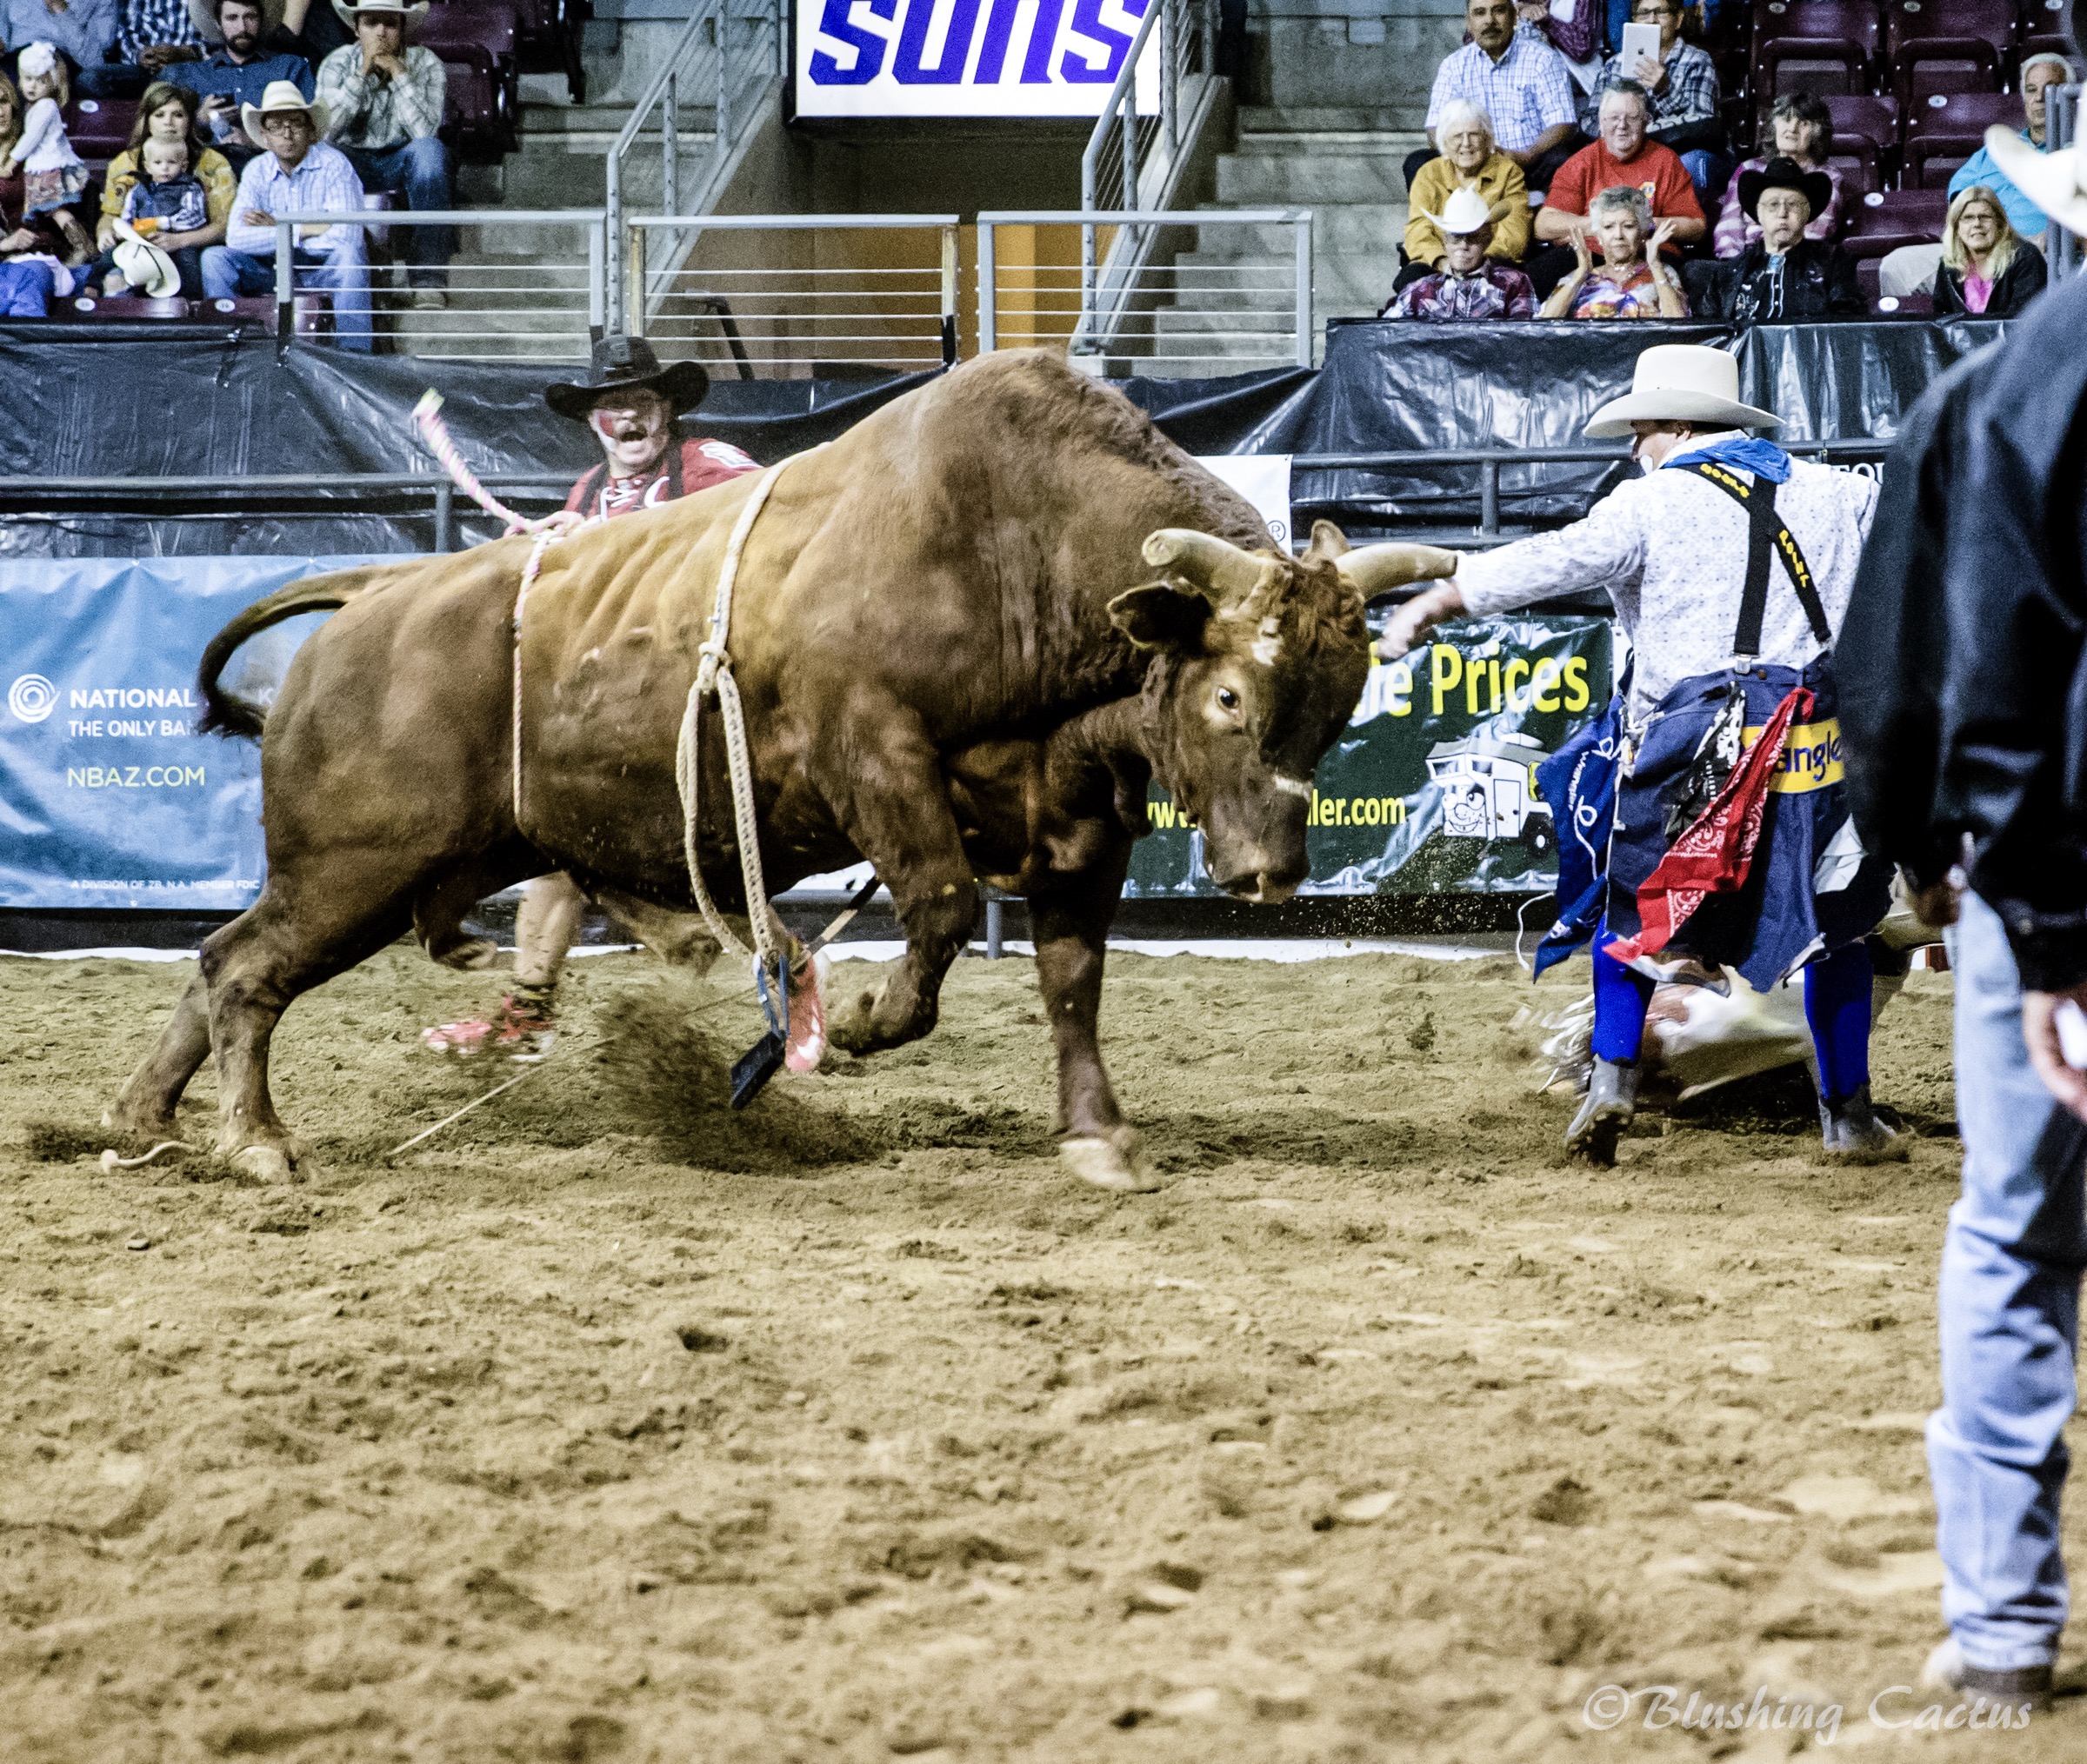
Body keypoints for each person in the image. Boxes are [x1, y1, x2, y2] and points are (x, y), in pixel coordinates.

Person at [1384, 343, 1892, 1164]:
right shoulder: (1846, 495)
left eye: (1642, 429)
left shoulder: (1647, 503)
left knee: (1635, 914)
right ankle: (1849, 1121)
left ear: (1681, 426)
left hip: (1690, 746)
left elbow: (1555, 560)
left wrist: (1447, 596)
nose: (1633, 448)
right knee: (1840, 933)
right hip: (1813, 748)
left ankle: (1612, 1081)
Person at [1837, 79, 2087, 1702]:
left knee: (2016, 1229)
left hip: (2054, 878)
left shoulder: (2013, 388)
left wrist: (1972, 881)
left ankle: (2001, 1626)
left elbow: (1933, 673)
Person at [422, 336, 765, 1060]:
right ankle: (529, 1011)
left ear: (666, 409)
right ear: (594, 422)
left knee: (585, 838)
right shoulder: (585, 495)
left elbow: (769, 526)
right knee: (550, 835)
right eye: (612, 407)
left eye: (640, 402)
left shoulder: (712, 468)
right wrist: (556, 554)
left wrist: (606, 539)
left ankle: (776, 973)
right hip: (619, 710)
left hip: (706, 702)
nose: (628, 420)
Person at [200, 77, 370, 347]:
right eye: (276, 126)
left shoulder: (335, 165)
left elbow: (346, 237)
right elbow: (236, 237)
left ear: (311, 131)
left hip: (320, 269)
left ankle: (355, 355)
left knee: (349, 258)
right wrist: (297, 230)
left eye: (295, 123)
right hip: (272, 269)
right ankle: (229, 347)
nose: (287, 134)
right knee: (215, 258)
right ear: (265, 137)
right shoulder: (257, 169)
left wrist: (274, 227)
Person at [313, 0, 447, 307]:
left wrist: (400, 76)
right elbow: (324, 132)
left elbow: (425, 133)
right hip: (350, 160)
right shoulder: (337, 62)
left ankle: (428, 279)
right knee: (322, 153)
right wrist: (360, 76)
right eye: (372, 23)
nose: (381, 33)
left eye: (390, 24)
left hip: (402, 157)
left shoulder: (426, 62)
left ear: (401, 30)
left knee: (430, 153)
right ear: (356, 28)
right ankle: (337, 272)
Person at [1527, 80, 1704, 296]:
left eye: (1632, 117)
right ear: (1601, 123)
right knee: (1538, 275)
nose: (1622, 125)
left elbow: (1696, 227)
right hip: (1588, 251)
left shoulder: (1665, 161)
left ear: (1646, 122)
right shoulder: (1581, 163)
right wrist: (1600, 226)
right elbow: (1543, 225)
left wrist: (1641, 226)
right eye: (1613, 118)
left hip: (1648, 252)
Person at [1410, 0, 1581, 196]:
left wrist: (1527, 155)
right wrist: (1465, 158)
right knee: (1418, 163)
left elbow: (1563, 123)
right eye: (1480, 13)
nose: (1489, 21)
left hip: (1528, 164)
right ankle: (1453, 223)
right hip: (1469, 166)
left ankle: (1545, 222)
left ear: (1514, 16)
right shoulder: (1454, 66)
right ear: (1469, 22)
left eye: (1498, 11)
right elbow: (1435, 127)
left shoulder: (1543, 59)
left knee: (1560, 159)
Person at [1581, 0, 1725, 205]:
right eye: (1644, 13)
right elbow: (1590, 119)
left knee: (1692, 162)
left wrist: (1665, 89)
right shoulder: (1615, 64)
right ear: (1634, 21)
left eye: (1661, 12)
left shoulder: (1697, 60)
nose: (1652, 20)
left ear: (1679, 20)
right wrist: (1620, 135)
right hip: (1624, 151)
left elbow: (1702, 125)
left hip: (1677, 152)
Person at [1698, 157, 1862, 323]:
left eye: (1793, 204)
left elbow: (1846, 325)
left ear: (1807, 213)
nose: (1782, 213)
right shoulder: (1730, 274)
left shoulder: (1832, 261)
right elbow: (1710, 332)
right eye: (1773, 204)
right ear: (1759, 214)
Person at [1398, 101, 1530, 294]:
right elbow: (1418, 228)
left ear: (1487, 139)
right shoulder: (1428, 173)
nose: (1466, 143)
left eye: (1474, 134)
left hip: (1492, 264)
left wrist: (1478, 265)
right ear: (1444, 142)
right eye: (1457, 136)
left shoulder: (1508, 171)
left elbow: (1514, 229)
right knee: (1410, 281)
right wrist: (1443, 263)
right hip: (1438, 265)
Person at [1946, 52, 2073, 245]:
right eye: (2031, 90)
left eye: (2050, 89)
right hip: (1984, 246)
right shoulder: (1996, 149)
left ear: (2070, 95)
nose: (2039, 98)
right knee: (1897, 264)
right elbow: (1959, 193)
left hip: (2040, 250)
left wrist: (2058, 237)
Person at [166, 0, 310, 167]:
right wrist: (199, 121)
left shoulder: (289, 67)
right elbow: (156, 133)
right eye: (232, 18)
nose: (242, 28)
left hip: (271, 165)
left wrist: (254, 140)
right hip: (205, 171)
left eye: (250, 17)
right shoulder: (188, 74)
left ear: (261, 20)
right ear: (218, 23)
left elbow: (308, 128)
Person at [96, 79, 232, 252]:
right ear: (147, 121)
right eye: (159, 115)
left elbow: (224, 225)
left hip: (191, 246)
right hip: (135, 242)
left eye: (178, 115)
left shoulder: (213, 162)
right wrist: (104, 231)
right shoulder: (125, 161)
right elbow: (111, 214)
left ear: (189, 121)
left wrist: (179, 241)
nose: (168, 122)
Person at [1714, 91, 1844, 258]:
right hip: (1746, 261)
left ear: (1817, 133)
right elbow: (1728, 226)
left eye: (1804, 123)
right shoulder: (1749, 169)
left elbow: (1817, 232)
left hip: (1795, 262)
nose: (1792, 128)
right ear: (1774, 126)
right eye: (1786, 119)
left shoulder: (1826, 177)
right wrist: (1736, 266)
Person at [85, 125, 207, 292]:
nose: (164, 167)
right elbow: (128, 214)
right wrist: (125, 230)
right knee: (111, 254)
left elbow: (194, 217)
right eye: (158, 162)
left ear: (183, 165)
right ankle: (92, 287)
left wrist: (163, 223)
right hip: (141, 236)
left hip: (176, 238)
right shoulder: (138, 189)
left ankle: (191, 298)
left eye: (171, 162)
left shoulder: (189, 187)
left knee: (188, 258)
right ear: (147, 166)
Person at [1537, 181, 1686, 316]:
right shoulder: (1578, 277)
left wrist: (1655, 266)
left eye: (1628, 226)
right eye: (1608, 227)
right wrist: (1580, 275)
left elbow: (1680, 328)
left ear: (1642, 232)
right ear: (1598, 236)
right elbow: (1541, 329)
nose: (1618, 235)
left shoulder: (1663, 273)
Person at [1385, 185, 1537, 318]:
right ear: (1445, 241)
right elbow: (1383, 335)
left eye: (1473, 237)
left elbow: (1526, 338)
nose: (1463, 245)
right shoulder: (1420, 289)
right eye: (1456, 237)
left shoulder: (1514, 283)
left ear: (1487, 240)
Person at [4, 42, 88, 260]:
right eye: (28, 79)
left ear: (53, 83)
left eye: (41, 81)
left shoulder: (46, 106)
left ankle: (82, 246)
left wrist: (11, 162)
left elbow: (30, 139)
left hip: (48, 166)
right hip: (40, 167)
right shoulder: (32, 107)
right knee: (44, 210)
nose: (32, 86)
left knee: (55, 209)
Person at [1931, 183, 2045, 319]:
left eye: (1985, 217)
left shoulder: (2025, 257)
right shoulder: (1949, 263)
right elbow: (1942, 317)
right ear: (1957, 227)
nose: (1977, 224)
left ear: (2000, 223)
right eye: (1968, 218)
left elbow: (2025, 319)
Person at [77, 0, 202, 97]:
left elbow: (214, 42)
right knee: (89, 78)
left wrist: (183, 53)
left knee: (171, 73)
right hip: (142, 70)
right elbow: (126, 35)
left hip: (188, 69)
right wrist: (140, 56)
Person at [0, 0, 117, 81]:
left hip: (61, 61)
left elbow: (93, 62)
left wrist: (62, 11)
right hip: (16, 59)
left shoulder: (102, 2)